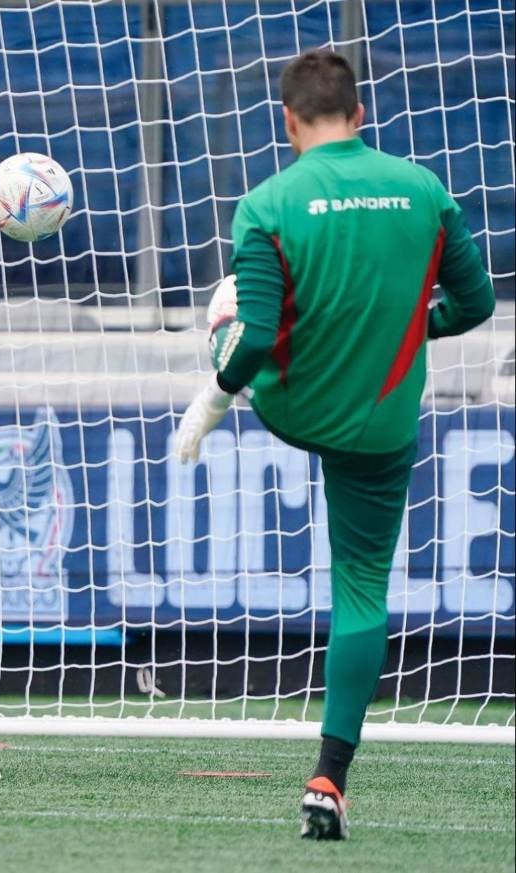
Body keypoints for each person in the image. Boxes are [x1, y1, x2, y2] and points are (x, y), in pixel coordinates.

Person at [176, 50, 494, 839]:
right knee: (361, 586)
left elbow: (252, 344)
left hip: (294, 405)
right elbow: (478, 301)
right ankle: (329, 773)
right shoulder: (425, 188)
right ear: (359, 115)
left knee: (234, 319)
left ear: (288, 121)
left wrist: (213, 398)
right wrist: (411, 327)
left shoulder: (267, 202)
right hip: (381, 422)